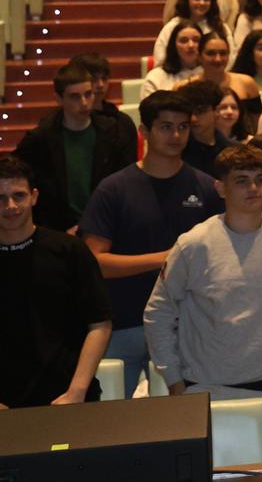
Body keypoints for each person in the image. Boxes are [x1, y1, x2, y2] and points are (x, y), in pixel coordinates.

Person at [144, 144, 262, 459]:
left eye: (260, 179)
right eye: (241, 180)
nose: (253, 188)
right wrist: (174, 380)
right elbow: (158, 312)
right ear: (220, 188)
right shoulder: (194, 244)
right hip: (207, 388)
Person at [77, 91, 224, 398]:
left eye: (183, 127)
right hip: (123, 324)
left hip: (187, 325)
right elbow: (94, 263)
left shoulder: (207, 188)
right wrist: (166, 258)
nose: (175, 135)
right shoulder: (114, 189)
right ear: (144, 131)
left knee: (183, 422)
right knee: (114, 425)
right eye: (166, 127)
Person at [0, 156, 113, 407]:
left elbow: (100, 324)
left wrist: (76, 391)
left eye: (18, 195)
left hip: (68, 398)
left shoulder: (69, 251)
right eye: (1, 198)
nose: (10, 206)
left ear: (34, 196)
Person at [14, 61, 139, 231]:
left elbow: (124, 182)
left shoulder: (113, 131)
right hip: (58, 228)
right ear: (59, 99)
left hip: (105, 224)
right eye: (75, 97)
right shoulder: (41, 138)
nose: (84, 102)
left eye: (88, 94)